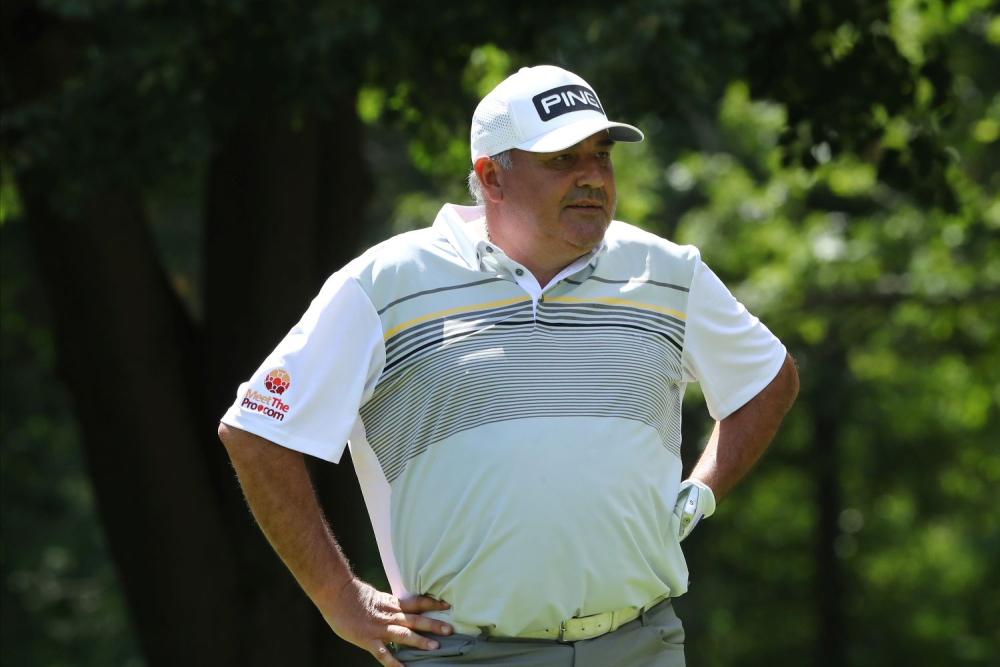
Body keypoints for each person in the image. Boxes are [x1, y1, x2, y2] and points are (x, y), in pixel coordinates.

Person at [218, 65, 799, 667]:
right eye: (561, 160)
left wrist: (701, 491)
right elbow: (257, 433)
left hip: (641, 645)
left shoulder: (667, 272)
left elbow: (769, 380)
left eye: (601, 156)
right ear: (491, 177)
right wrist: (340, 598)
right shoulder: (385, 283)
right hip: (466, 654)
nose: (592, 177)